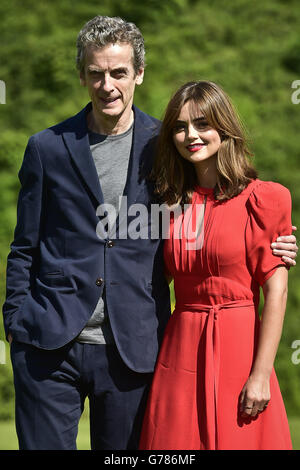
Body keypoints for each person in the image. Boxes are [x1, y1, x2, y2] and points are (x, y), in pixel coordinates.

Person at [2, 16, 297, 450]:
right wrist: (16, 323)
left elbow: (223, 196)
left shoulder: (167, 143)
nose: (108, 85)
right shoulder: (46, 148)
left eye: (119, 72)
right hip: (48, 346)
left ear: (139, 73)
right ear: (82, 75)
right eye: (96, 73)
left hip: (134, 351)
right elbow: (24, 245)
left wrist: (276, 237)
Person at [139, 80, 294, 450]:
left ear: (224, 129)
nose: (190, 135)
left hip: (240, 343)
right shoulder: (169, 206)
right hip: (180, 350)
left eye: (202, 124)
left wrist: (260, 375)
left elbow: (276, 289)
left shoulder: (266, 199)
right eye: (179, 126)